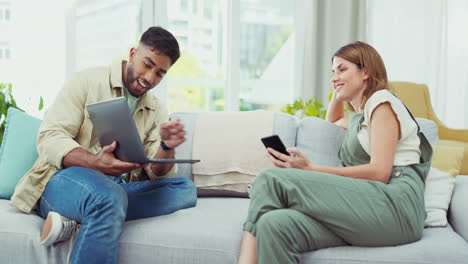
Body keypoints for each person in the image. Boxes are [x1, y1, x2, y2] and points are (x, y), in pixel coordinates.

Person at [10, 26, 197, 264]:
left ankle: (77, 219)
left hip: (115, 188)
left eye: (160, 73)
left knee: (184, 189)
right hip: (65, 180)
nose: (150, 78)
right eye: (147, 64)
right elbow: (50, 136)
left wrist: (167, 146)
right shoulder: (87, 81)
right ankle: (98, 207)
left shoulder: (156, 108)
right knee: (108, 196)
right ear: (132, 54)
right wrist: (96, 163)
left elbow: (155, 172)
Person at [237, 41, 432, 264]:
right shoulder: (360, 119)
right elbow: (333, 121)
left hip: (396, 206)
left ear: (366, 71)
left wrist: (311, 170)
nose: (334, 77)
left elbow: (380, 171)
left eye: (342, 69)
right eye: (332, 72)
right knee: (274, 225)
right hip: (370, 209)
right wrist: (340, 87)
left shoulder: (382, 103)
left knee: (269, 179)